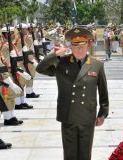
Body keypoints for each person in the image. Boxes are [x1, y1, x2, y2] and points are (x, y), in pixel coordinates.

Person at [36, 27, 109, 160]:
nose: (79, 49)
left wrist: (103, 113)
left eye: (82, 45)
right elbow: (40, 68)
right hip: (68, 115)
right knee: (70, 154)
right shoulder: (62, 63)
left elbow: (103, 91)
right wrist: (55, 55)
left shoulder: (97, 65)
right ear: (70, 46)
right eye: (75, 46)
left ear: (88, 45)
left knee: (85, 154)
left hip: (87, 115)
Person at [0, 26, 31, 125]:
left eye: (13, 33)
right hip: (8, 73)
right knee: (8, 97)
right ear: (6, 35)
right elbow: (5, 62)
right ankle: (8, 118)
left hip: (13, 72)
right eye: (12, 33)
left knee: (12, 96)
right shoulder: (5, 46)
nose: (14, 34)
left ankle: (11, 116)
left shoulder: (11, 44)